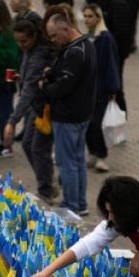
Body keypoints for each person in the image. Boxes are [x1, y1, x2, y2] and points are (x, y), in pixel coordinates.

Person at [41, 13, 97, 215]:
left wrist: (45, 88)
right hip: (82, 112)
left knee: (67, 162)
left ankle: (72, 204)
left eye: (55, 35)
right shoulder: (86, 44)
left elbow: (64, 85)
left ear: (65, 29)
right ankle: (80, 203)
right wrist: (52, 73)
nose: (54, 40)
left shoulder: (74, 52)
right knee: (78, 159)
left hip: (68, 114)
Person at [4, 19, 58, 201]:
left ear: (34, 36)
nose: (21, 45)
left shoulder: (39, 55)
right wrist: (23, 77)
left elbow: (30, 90)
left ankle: (46, 188)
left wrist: (13, 120)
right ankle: (47, 182)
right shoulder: (29, 51)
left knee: (37, 147)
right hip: (36, 105)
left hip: (44, 106)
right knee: (28, 144)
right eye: (17, 41)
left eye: (24, 41)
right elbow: (29, 82)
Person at [83, 4, 121, 173]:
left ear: (98, 18)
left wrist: (113, 89)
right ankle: (91, 152)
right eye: (85, 16)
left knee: (97, 123)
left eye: (90, 16)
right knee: (87, 124)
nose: (87, 19)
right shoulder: (86, 37)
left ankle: (101, 156)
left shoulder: (105, 38)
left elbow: (111, 64)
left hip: (100, 89)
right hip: (86, 89)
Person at [0, 0, 21, 159]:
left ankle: (7, 145)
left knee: (5, 111)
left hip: (6, 77)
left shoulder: (8, 32)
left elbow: (12, 57)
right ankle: (3, 140)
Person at [93, 0, 134, 110]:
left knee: (115, 90)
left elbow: (122, 36)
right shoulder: (100, 0)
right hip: (101, 54)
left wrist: (115, 58)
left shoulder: (118, 4)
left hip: (113, 57)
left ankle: (119, 121)